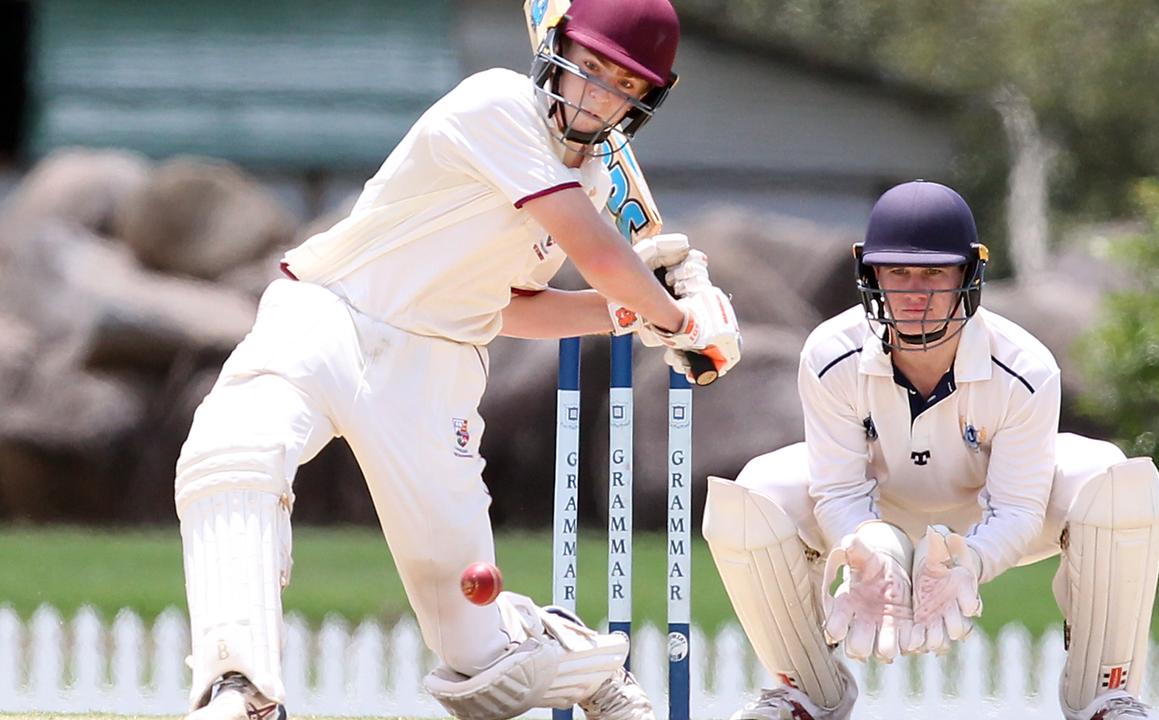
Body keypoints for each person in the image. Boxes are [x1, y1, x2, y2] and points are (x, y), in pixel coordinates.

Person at [175, 1, 742, 719]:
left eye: (620, 83)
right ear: (557, 50)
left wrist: (638, 319)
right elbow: (599, 252)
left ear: (644, 99)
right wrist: (682, 317)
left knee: (481, 664)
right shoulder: (495, 103)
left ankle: (577, 661)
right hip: (333, 312)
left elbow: (506, 305)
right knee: (233, 450)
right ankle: (241, 689)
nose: (595, 94)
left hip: (434, 373)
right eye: (588, 68)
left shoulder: (593, 185)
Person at [702, 180, 1159, 720]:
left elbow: (1019, 506)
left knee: (1113, 480)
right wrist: (870, 543)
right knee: (755, 493)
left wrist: (970, 561)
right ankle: (806, 693)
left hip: (988, 514)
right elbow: (837, 489)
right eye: (897, 271)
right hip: (877, 511)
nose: (915, 292)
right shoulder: (831, 353)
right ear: (870, 273)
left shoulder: (1025, 366)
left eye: (934, 272)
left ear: (969, 275)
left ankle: (1104, 695)